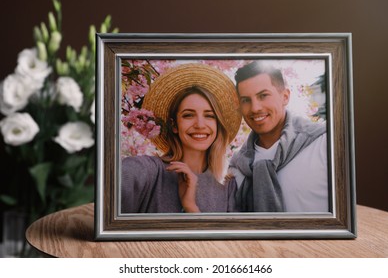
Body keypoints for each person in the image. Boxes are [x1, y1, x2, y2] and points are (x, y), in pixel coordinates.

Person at [121, 63, 242, 213]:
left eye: (209, 116)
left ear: (218, 125)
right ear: (174, 125)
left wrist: (190, 206)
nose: (200, 124)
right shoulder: (149, 170)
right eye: (188, 115)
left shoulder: (228, 187)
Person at [229, 61, 329, 213]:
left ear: (285, 97)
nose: (255, 108)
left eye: (263, 95)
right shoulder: (237, 167)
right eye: (246, 100)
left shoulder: (324, 144)